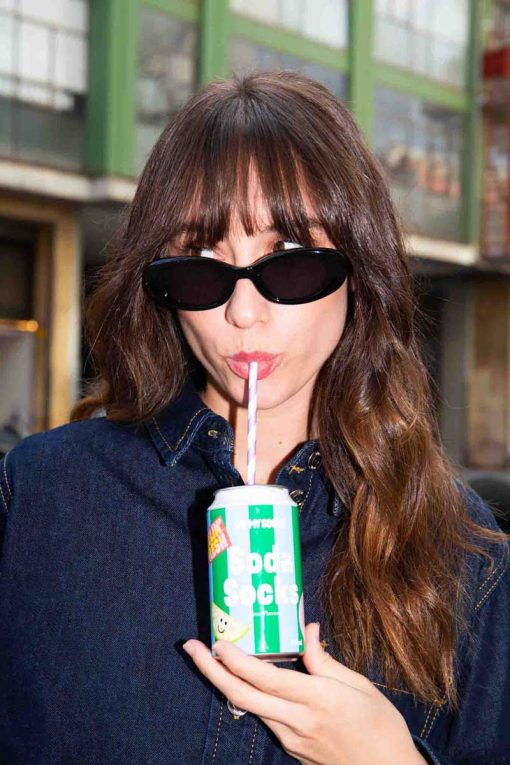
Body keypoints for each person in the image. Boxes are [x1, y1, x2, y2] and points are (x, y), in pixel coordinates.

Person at [0, 71, 509, 765]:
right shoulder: (41, 495)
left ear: (359, 271)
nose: (242, 312)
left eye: (289, 263)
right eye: (201, 265)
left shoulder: (463, 551)